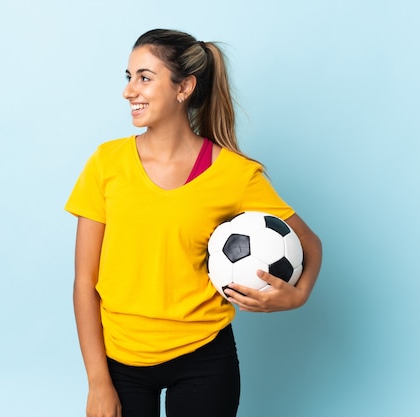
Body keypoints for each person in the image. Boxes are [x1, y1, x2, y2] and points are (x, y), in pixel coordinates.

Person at [65, 28, 322, 417]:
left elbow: (310, 243)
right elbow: (85, 283)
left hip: (204, 357)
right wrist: (98, 383)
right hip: (121, 362)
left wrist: (297, 296)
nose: (129, 91)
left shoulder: (235, 174)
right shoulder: (106, 164)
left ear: (184, 87)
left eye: (145, 78)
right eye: (129, 77)